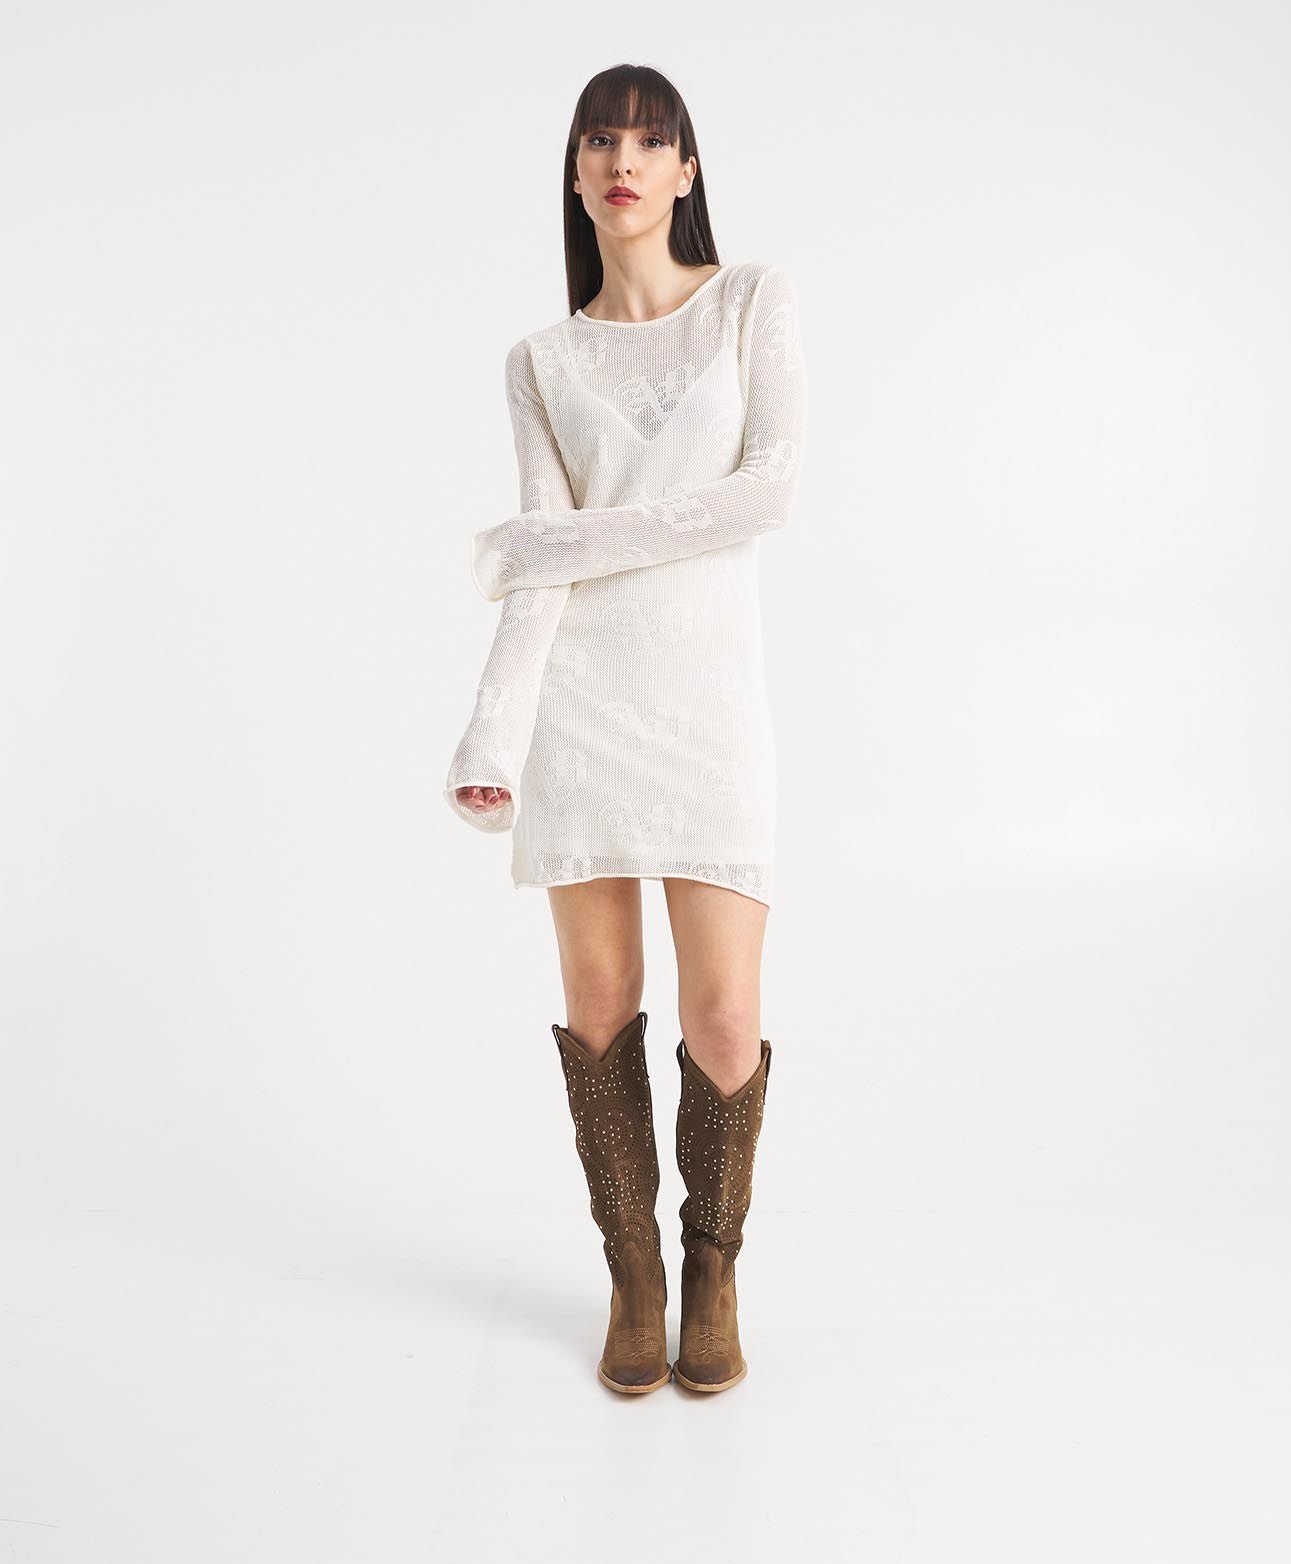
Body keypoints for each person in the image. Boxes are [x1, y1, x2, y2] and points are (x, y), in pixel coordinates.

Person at [445, 63, 808, 1394]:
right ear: (578, 169)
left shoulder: (751, 301)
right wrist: (492, 736)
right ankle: (637, 1276)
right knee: (599, 1008)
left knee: (725, 1015)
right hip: (581, 709)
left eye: (650, 143)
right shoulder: (541, 363)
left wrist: (551, 541)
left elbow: (764, 494)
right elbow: (539, 575)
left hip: (710, 701)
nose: (623, 161)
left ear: (685, 171)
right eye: (601, 140)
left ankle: (713, 1267)